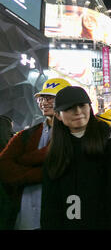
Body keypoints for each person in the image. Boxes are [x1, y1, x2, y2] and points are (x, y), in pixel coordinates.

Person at [40, 86, 111, 229]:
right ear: (58, 115)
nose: (78, 111)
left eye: (82, 105)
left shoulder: (110, 139)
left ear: (90, 108)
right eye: (69, 108)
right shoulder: (55, 149)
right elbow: (50, 202)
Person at [0, 78, 71, 230]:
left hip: (64, 215)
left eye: (51, 98)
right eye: (42, 98)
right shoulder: (25, 136)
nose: (44, 102)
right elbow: (4, 168)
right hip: (26, 217)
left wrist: (23, 163)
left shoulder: (78, 134)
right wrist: (44, 172)